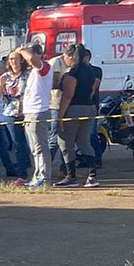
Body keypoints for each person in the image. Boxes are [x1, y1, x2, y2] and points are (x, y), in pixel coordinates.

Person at [56, 44, 99, 188]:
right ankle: (92, 176)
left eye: (65, 57)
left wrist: (60, 117)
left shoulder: (72, 73)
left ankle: (71, 177)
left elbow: (68, 95)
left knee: (65, 143)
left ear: (71, 57)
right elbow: (93, 91)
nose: (64, 59)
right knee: (84, 141)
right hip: (90, 107)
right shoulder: (90, 71)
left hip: (74, 108)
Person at [16, 43, 53, 189]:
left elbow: (32, 59)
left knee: (40, 147)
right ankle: (38, 176)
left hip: (38, 111)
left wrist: (21, 50)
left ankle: (44, 178)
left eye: (29, 53)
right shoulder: (33, 71)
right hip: (30, 112)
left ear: (39, 54)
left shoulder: (44, 66)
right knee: (34, 148)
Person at [0, 51, 31, 182]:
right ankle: (22, 174)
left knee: (32, 142)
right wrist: (2, 84)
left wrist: (23, 51)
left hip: (28, 112)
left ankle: (34, 168)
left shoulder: (29, 74)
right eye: (11, 59)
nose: (13, 61)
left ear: (21, 60)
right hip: (11, 113)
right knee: (18, 144)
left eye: (16, 59)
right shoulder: (5, 76)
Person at [0, 57, 21, 178]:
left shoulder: (1, 80)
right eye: (5, 69)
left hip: (0, 117)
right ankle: (8, 169)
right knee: (2, 145)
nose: (8, 71)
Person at [49, 45, 75, 173]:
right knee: (53, 139)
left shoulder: (67, 65)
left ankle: (64, 169)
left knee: (65, 139)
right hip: (54, 105)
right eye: (72, 59)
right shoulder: (56, 63)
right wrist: (67, 84)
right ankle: (46, 169)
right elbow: (53, 83)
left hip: (65, 104)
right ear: (68, 56)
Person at [82, 48, 103, 168]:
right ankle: (86, 158)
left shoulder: (96, 70)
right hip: (79, 105)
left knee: (91, 133)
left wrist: (88, 97)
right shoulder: (76, 70)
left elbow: (95, 87)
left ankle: (97, 159)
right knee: (81, 135)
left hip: (91, 105)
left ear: (87, 58)